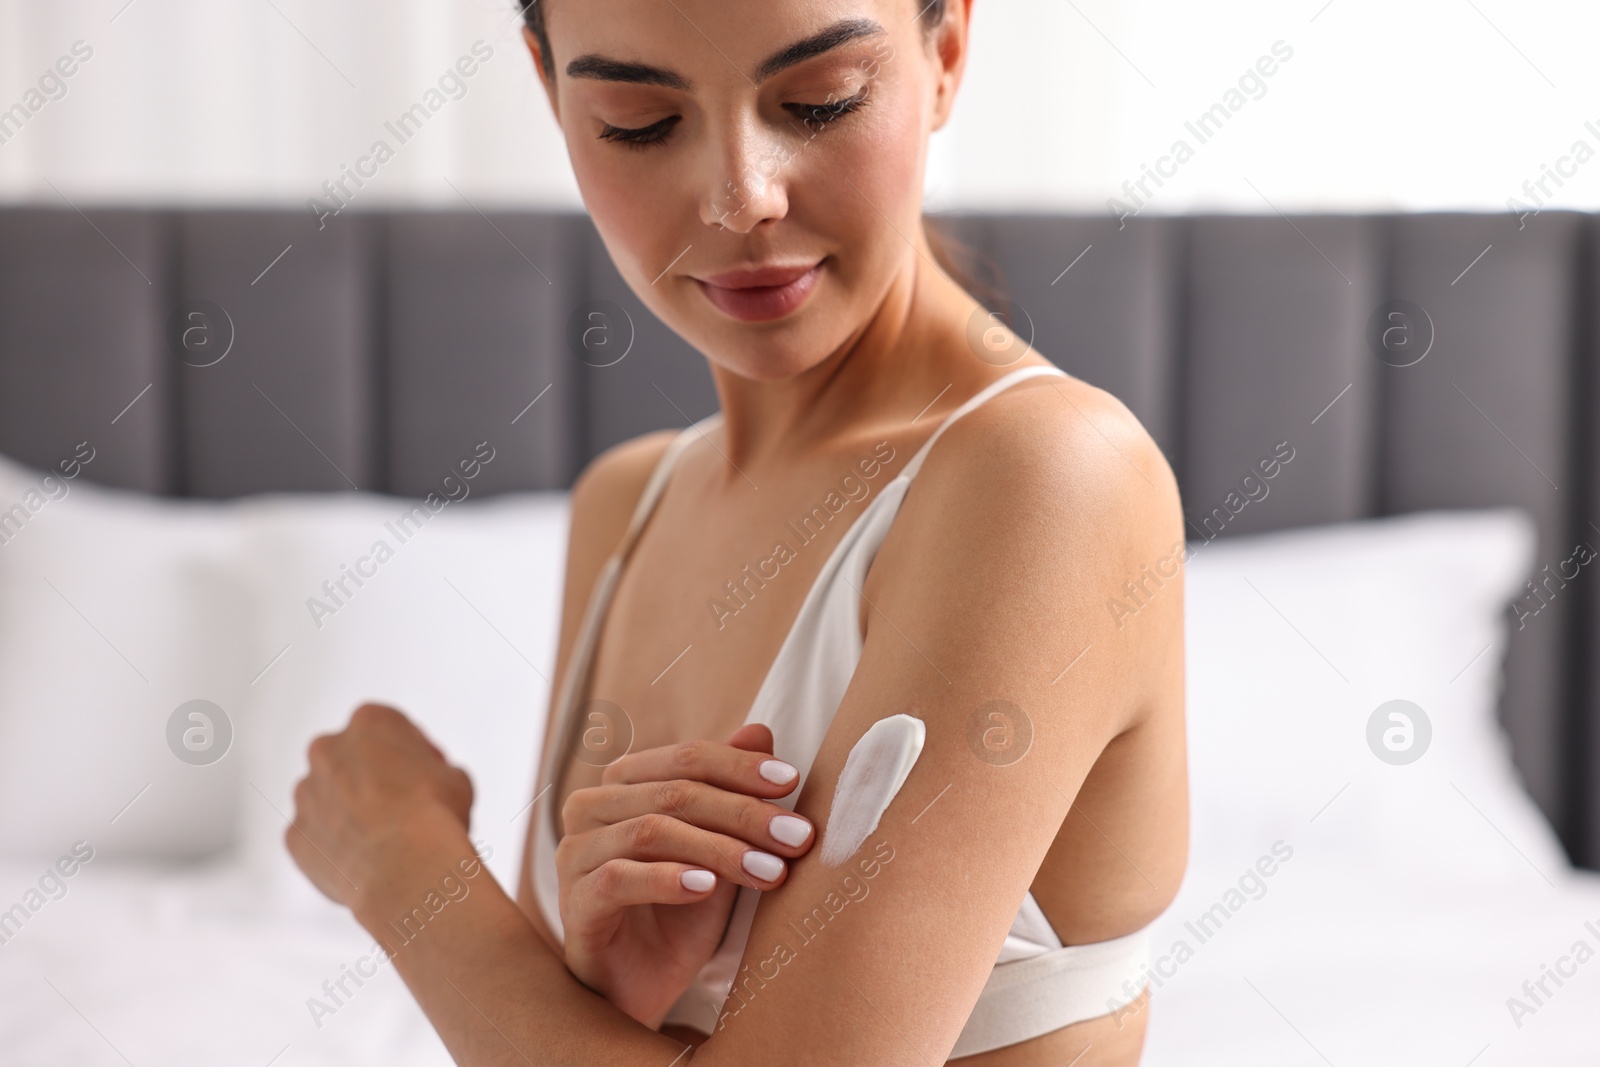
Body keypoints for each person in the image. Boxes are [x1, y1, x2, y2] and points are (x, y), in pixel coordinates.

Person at [285, 1, 1188, 1063]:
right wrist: (612, 985)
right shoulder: (627, 503)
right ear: (548, 89)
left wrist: (402, 869)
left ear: (944, 56)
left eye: (819, 101)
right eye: (637, 121)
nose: (741, 197)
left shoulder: (1046, 474)